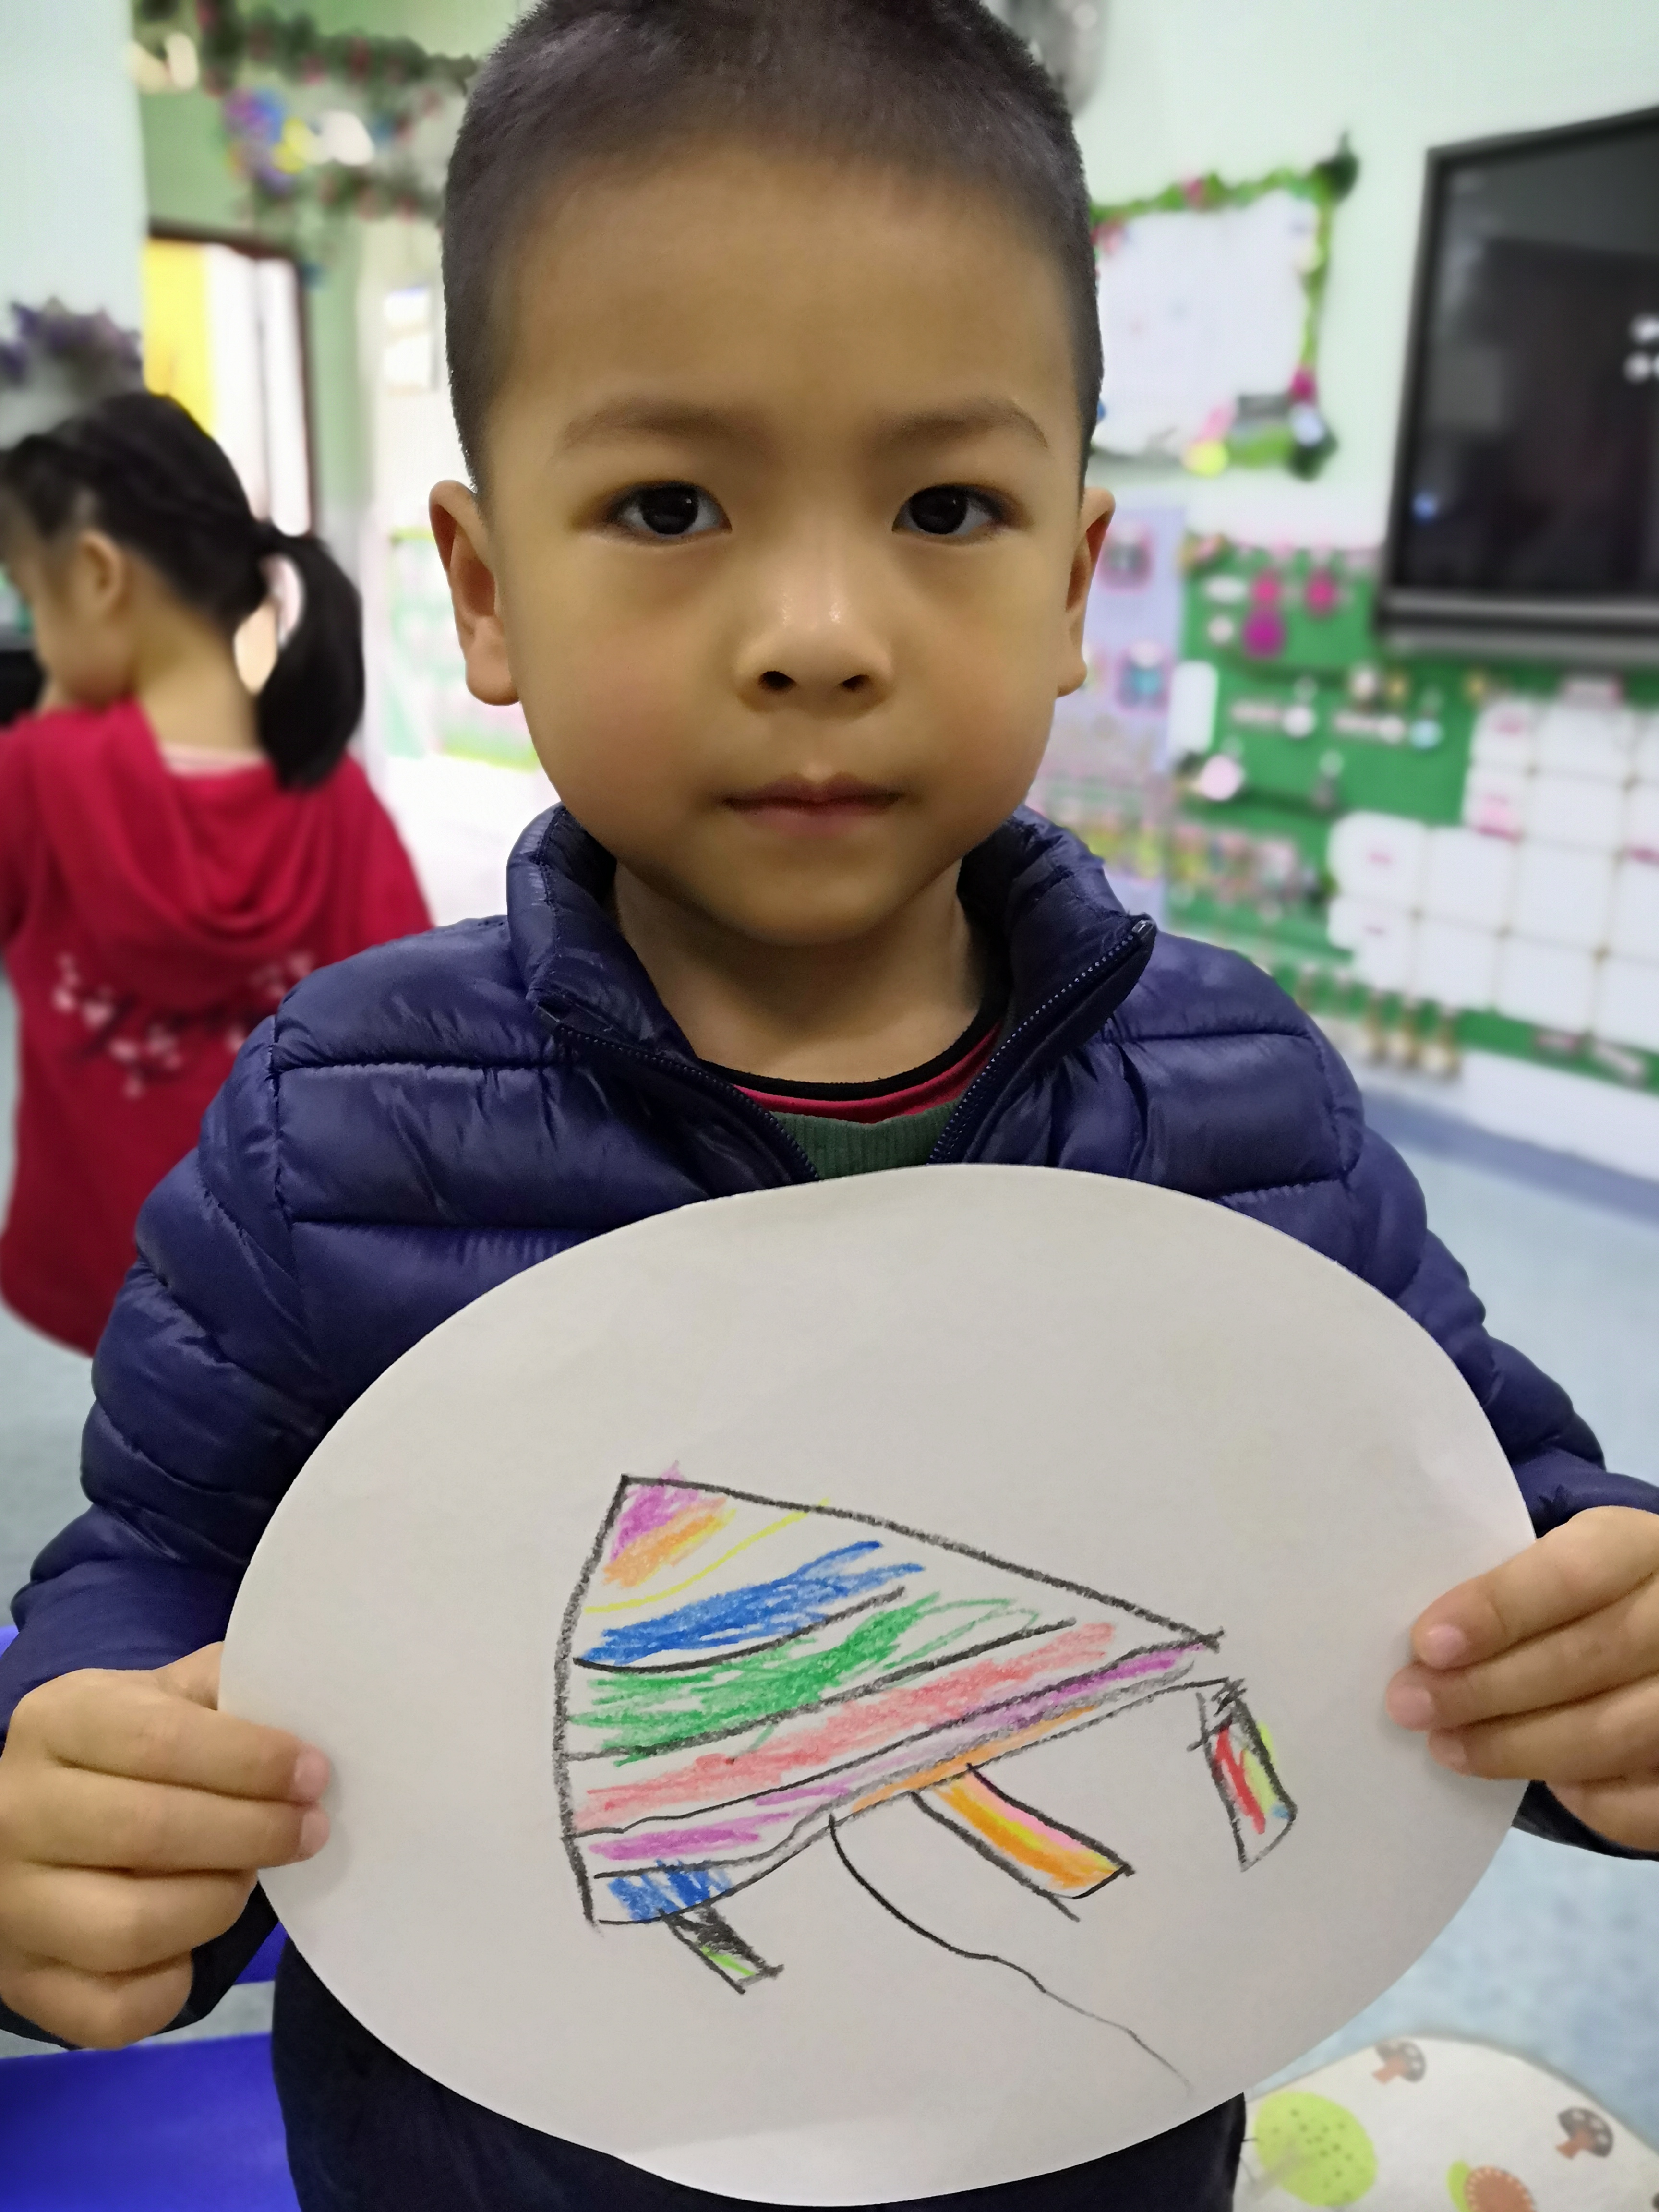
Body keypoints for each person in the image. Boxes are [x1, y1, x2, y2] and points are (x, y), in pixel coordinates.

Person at [0, 5, 1656, 2207]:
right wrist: (90, 1801)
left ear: (1068, 583)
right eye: (668, 505)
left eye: (944, 505)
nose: (814, 631)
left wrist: (1602, 1660)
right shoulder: (335, 1131)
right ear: (485, 592)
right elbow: (161, 1571)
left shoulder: (1246, 1112)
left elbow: (1489, 1539)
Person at [0, 393, 431, 1354]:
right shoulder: (337, 798)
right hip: (288, 1274)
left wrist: (54, 729)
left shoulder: (32, 778)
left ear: (99, 576)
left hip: (107, 1267)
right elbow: (404, 1040)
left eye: (32, 596)